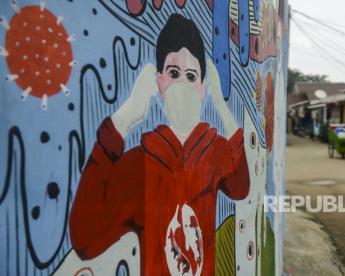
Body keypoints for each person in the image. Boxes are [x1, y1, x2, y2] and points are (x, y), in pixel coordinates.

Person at [69, 14, 250, 275]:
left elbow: (241, 187)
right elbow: (85, 238)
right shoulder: (140, 163)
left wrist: (222, 107)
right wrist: (126, 115)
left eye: (191, 76)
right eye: (174, 73)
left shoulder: (213, 150)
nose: (182, 85)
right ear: (159, 83)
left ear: (201, 88)